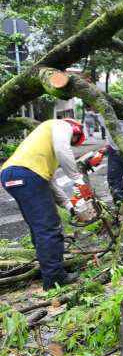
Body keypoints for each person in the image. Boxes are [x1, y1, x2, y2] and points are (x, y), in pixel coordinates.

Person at [0, 119, 92, 289]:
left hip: (11, 174)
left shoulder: (41, 151)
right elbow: (63, 149)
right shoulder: (60, 125)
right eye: (72, 141)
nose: (70, 144)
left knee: (39, 228)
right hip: (26, 175)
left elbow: (49, 182)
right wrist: (77, 179)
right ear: (75, 130)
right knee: (49, 228)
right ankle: (55, 278)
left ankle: (48, 272)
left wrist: (69, 206)